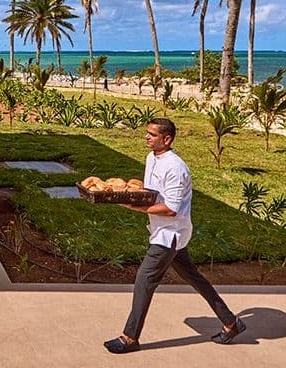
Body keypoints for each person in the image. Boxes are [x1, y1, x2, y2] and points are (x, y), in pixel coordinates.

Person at [104, 118, 245, 354]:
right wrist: (126, 195)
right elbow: (151, 194)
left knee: (144, 281)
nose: (146, 137)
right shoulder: (152, 158)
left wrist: (133, 207)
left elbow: (171, 208)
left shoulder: (176, 168)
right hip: (162, 232)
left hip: (170, 235)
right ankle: (231, 323)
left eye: (152, 134)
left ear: (167, 139)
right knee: (195, 279)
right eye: (147, 133)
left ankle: (130, 338)